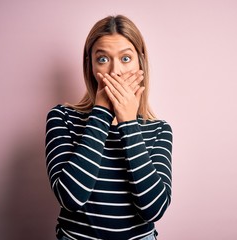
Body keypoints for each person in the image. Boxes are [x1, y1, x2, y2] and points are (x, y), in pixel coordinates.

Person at [45, 15, 173, 240]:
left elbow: (153, 209)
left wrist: (128, 123)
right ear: (91, 66)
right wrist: (102, 113)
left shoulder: (159, 130)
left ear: (140, 62)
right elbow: (71, 198)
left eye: (125, 58)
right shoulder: (61, 118)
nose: (116, 71)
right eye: (103, 59)